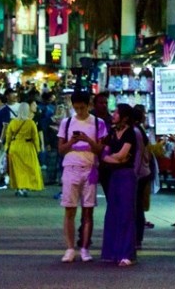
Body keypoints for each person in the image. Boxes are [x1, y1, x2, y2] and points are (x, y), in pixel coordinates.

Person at [58, 90, 107, 263]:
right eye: (76, 107)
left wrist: (88, 140)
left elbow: (100, 149)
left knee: (88, 209)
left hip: (90, 168)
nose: (79, 111)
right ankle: (70, 248)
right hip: (70, 167)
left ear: (89, 105)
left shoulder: (98, 123)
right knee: (69, 209)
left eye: (82, 107)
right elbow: (61, 149)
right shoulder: (67, 122)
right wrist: (72, 141)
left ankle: (85, 248)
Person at [100, 103, 137, 267]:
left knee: (126, 214)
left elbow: (121, 156)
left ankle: (127, 253)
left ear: (125, 117)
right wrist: (115, 158)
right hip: (114, 176)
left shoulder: (130, 133)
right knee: (113, 213)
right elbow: (105, 154)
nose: (113, 114)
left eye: (116, 112)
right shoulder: (112, 132)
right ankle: (112, 252)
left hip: (126, 176)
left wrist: (113, 158)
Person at [5, 101, 44, 196]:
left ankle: (18, 187)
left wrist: (6, 147)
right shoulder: (30, 123)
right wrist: (38, 149)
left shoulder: (13, 122)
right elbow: (35, 137)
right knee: (28, 169)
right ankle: (25, 187)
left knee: (17, 170)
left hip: (14, 147)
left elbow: (8, 136)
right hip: (27, 147)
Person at [133, 104, 155, 248]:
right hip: (143, 172)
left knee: (136, 206)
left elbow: (138, 155)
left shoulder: (135, 132)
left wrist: (133, 173)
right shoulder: (139, 130)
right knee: (138, 205)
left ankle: (137, 238)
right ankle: (137, 238)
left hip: (139, 173)